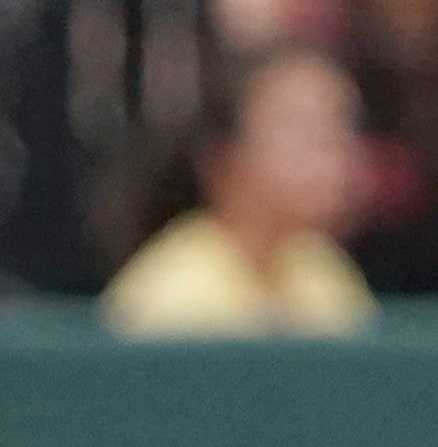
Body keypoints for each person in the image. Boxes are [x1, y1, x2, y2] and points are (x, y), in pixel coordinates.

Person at [98, 45, 378, 339]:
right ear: (226, 156)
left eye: (343, 126)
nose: (334, 150)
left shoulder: (324, 274)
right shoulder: (174, 297)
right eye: (302, 127)